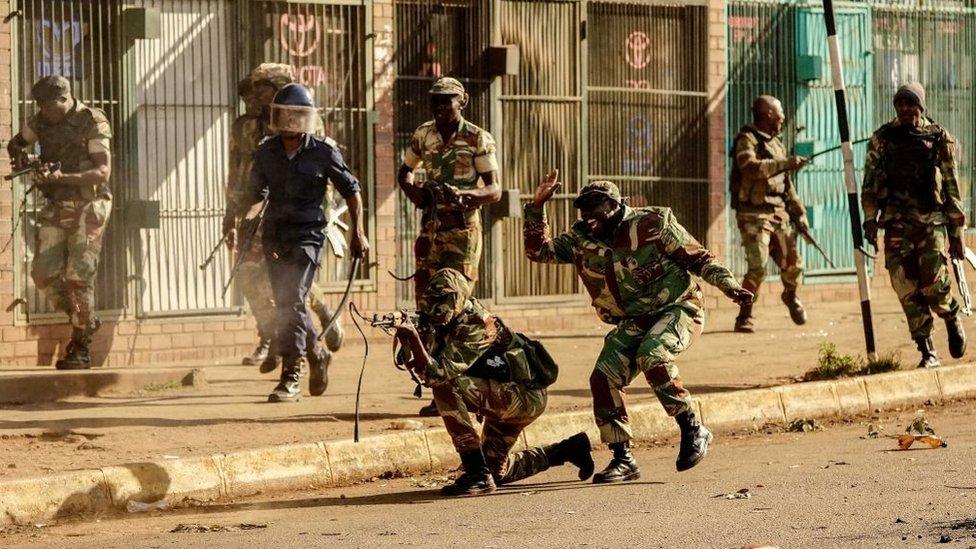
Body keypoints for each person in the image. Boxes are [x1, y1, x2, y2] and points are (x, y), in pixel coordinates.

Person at [524, 172, 754, 482]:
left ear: (616, 204)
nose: (589, 215)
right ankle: (624, 459)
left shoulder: (653, 223)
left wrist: (730, 286)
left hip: (679, 307)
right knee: (603, 376)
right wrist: (537, 206)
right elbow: (537, 251)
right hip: (633, 320)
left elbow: (698, 259)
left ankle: (693, 429)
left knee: (653, 354)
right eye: (584, 208)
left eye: (596, 206)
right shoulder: (580, 240)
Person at [393, 268, 594, 496]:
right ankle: (567, 450)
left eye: (443, 300)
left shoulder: (477, 324)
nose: (436, 307)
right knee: (497, 471)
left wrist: (414, 339)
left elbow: (438, 374)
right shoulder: (446, 322)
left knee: (447, 386)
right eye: (431, 301)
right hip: (505, 394)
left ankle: (476, 473)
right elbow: (427, 366)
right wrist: (416, 339)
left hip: (524, 396)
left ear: (458, 298)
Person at [238, 83, 368, 402]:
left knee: (293, 299)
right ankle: (318, 354)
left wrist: (359, 233)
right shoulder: (266, 151)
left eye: (298, 115)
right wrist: (248, 216)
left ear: (307, 118)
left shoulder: (323, 152)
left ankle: (290, 375)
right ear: (276, 116)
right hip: (275, 236)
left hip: (308, 235)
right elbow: (257, 194)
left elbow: (352, 191)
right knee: (287, 303)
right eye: (285, 114)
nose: (291, 121)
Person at [223, 63, 344, 375]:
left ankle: (317, 320)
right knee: (250, 275)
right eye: (253, 88)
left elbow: (321, 173)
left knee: (292, 285)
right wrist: (231, 214)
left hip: (295, 215)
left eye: (262, 87)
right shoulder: (245, 127)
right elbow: (237, 172)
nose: (254, 94)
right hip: (254, 209)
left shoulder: (304, 120)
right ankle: (271, 335)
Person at [397, 76, 501, 417]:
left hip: (463, 232)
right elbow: (404, 172)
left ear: (463, 101)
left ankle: (468, 385)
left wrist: (466, 196)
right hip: (431, 230)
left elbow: (494, 190)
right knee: (428, 310)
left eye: (447, 101)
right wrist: (416, 194)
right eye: (436, 101)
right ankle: (438, 389)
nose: (441, 107)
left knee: (454, 308)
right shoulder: (423, 134)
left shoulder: (476, 138)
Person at [6, 76, 112, 369]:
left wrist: (61, 177)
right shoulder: (41, 120)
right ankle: (84, 317)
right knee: (42, 273)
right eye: (41, 107)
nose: (45, 113)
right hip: (57, 204)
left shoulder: (92, 120)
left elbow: (103, 172)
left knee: (79, 277)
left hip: (89, 204)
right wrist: (26, 163)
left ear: (65, 99)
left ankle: (80, 347)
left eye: (50, 107)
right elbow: (15, 144)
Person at [862, 83, 968, 368]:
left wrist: (956, 234)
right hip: (896, 222)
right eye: (901, 104)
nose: (905, 109)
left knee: (933, 282)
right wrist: (870, 219)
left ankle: (950, 314)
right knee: (904, 285)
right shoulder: (882, 139)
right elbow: (869, 185)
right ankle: (927, 350)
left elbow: (952, 188)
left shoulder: (938, 138)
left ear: (921, 107)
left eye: (911, 104)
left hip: (930, 222)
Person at [730, 95, 809, 333]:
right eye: (780, 113)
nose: (784, 117)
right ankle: (744, 315)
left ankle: (791, 296)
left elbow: (786, 185)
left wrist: (800, 212)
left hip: (778, 214)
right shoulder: (747, 139)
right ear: (769, 115)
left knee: (793, 263)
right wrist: (785, 163)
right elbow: (749, 167)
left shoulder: (777, 144)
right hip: (753, 215)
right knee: (758, 266)